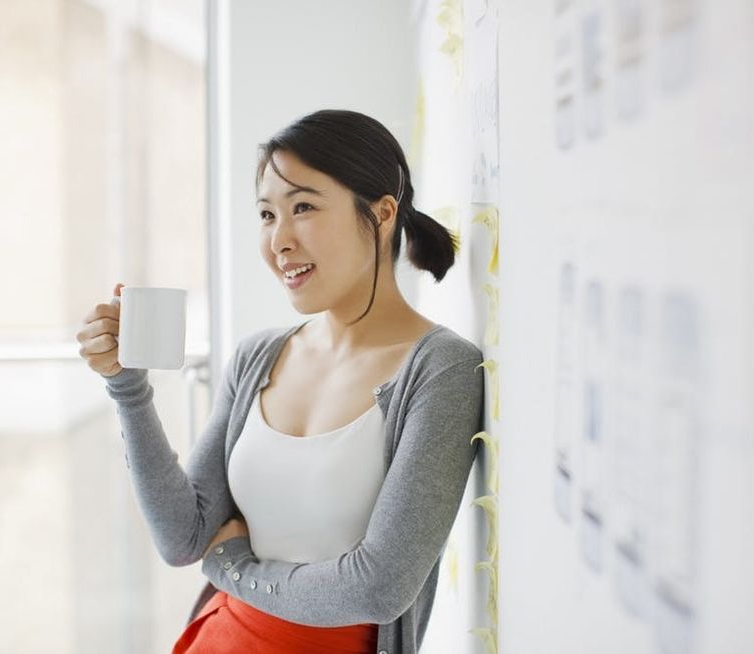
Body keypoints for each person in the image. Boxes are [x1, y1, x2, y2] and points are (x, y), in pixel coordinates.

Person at [75, 109, 486, 654]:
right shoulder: (258, 357)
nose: (279, 241)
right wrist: (127, 387)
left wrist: (233, 568)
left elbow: (379, 589)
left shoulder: (440, 370)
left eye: (304, 208)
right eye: (267, 215)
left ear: (383, 213)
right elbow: (183, 536)